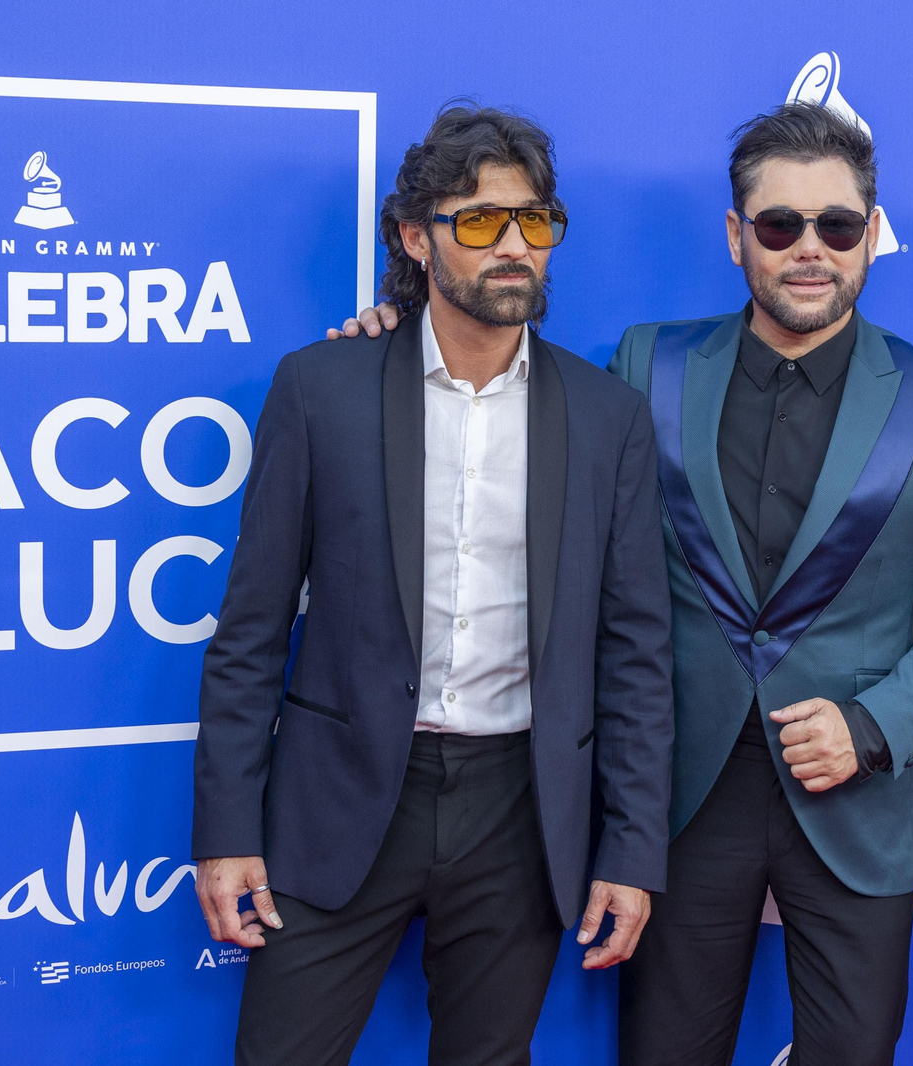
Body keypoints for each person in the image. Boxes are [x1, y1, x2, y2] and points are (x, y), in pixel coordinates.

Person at [336, 102, 913, 1066]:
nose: (809, 250)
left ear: (870, 237)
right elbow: (494, 370)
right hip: (678, 796)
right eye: (780, 226)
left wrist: (875, 726)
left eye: (837, 225)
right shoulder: (646, 366)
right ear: (737, 237)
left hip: (854, 794)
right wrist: (398, 331)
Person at [192, 104, 674, 1066]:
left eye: (534, 222)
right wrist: (227, 831)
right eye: (480, 221)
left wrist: (631, 848)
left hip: (522, 810)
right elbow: (249, 630)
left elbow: (636, 654)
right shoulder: (321, 389)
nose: (513, 247)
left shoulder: (607, 415)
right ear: (416, 238)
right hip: (341, 798)